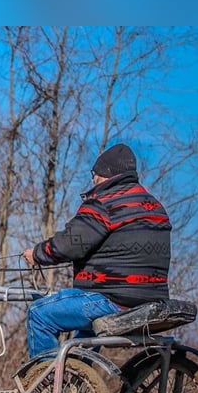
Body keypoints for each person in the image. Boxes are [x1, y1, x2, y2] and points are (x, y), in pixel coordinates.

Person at [22, 143, 171, 359]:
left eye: (94, 174)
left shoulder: (105, 202)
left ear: (103, 174)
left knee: (39, 313)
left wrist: (37, 254)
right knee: (74, 312)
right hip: (150, 300)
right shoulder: (155, 206)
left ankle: (47, 389)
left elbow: (70, 244)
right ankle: (75, 382)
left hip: (113, 300)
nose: (93, 179)